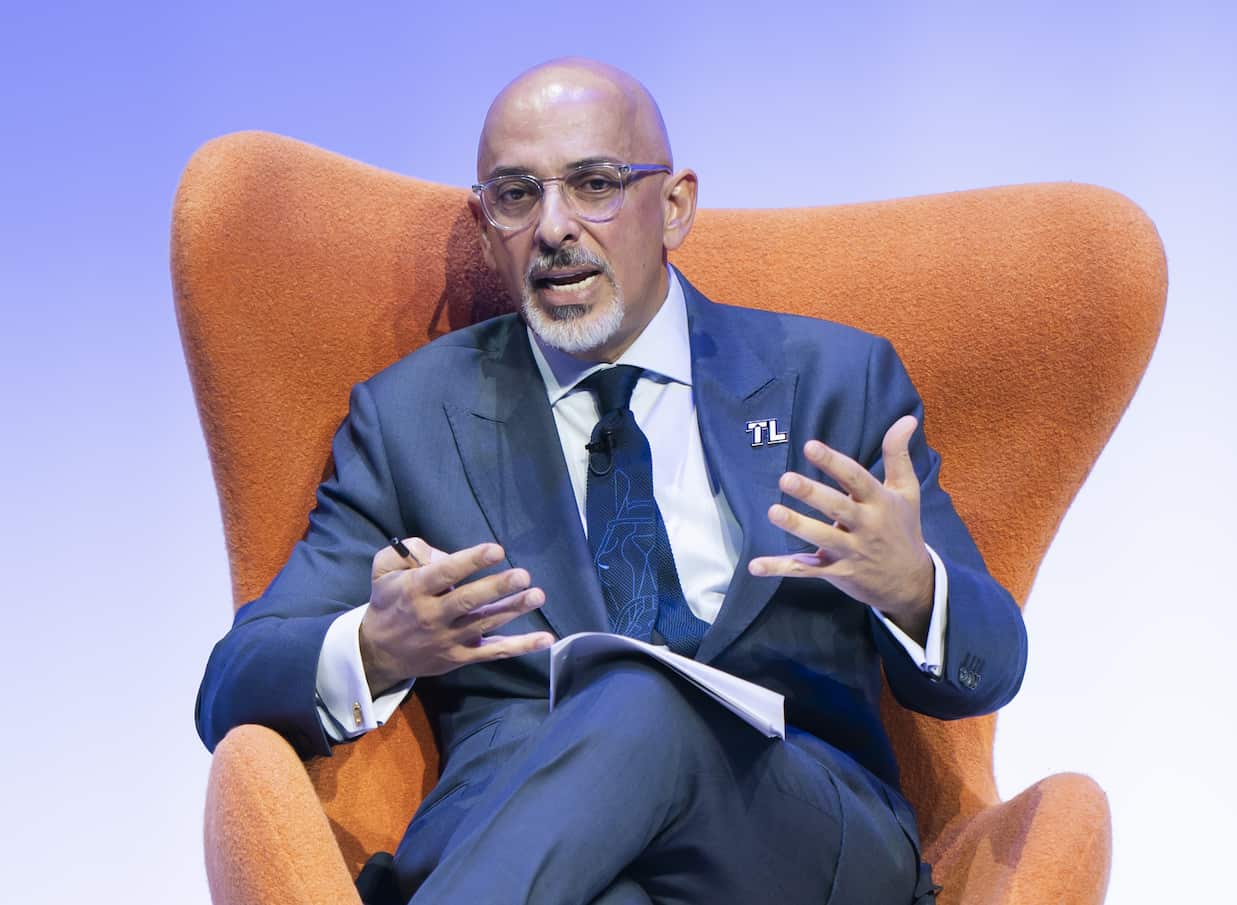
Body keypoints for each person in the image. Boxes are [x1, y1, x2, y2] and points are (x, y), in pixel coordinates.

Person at [196, 57, 1027, 905]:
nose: (554, 226)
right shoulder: (413, 419)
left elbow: (991, 663)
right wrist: (376, 646)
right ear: (487, 232)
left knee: (644, 697)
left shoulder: (833, 380)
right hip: (534, 837)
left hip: (794, 824)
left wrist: (916, 588)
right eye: (517, 195)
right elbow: (232, 684)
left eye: (594, 183)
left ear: (675, 206)